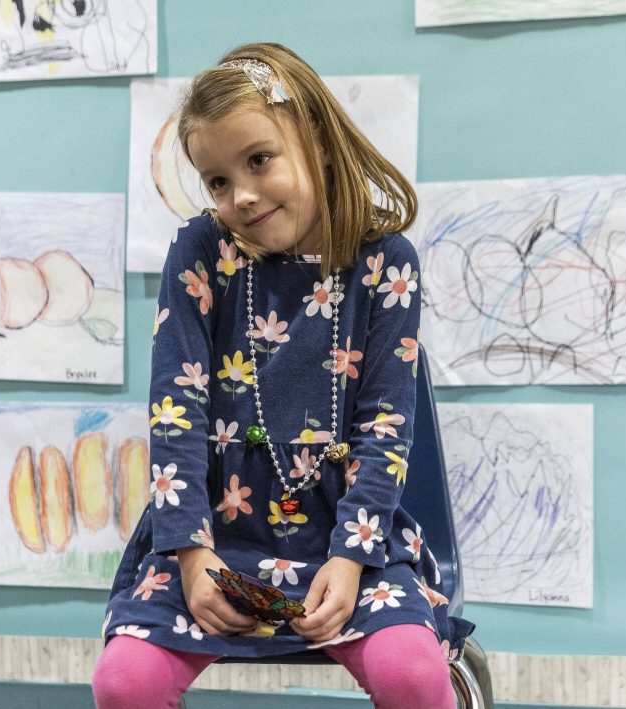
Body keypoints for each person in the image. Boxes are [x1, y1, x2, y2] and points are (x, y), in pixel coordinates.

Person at [92, 43, 473, 709]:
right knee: (125, 681)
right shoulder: (200, 252)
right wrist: (189, 553)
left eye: (259, 160)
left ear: (317, 140)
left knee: (412, 674)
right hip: (214, 541)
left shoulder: (388, 264)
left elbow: (387, 427)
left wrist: (351, 558)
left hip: (350, 543)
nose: (240, 194)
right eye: (215, 180)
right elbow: (174, 410)